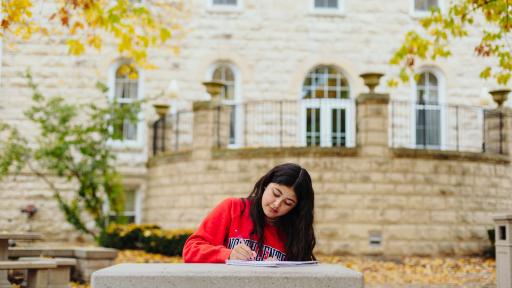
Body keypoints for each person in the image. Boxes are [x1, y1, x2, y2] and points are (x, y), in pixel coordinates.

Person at [182, 163, 316, 263]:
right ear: (265, 185)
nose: (276, 204)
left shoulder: (295, 232)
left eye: (288, 203)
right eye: (275, 193)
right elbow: (191, 250)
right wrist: (228, 254)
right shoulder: (232, 208)